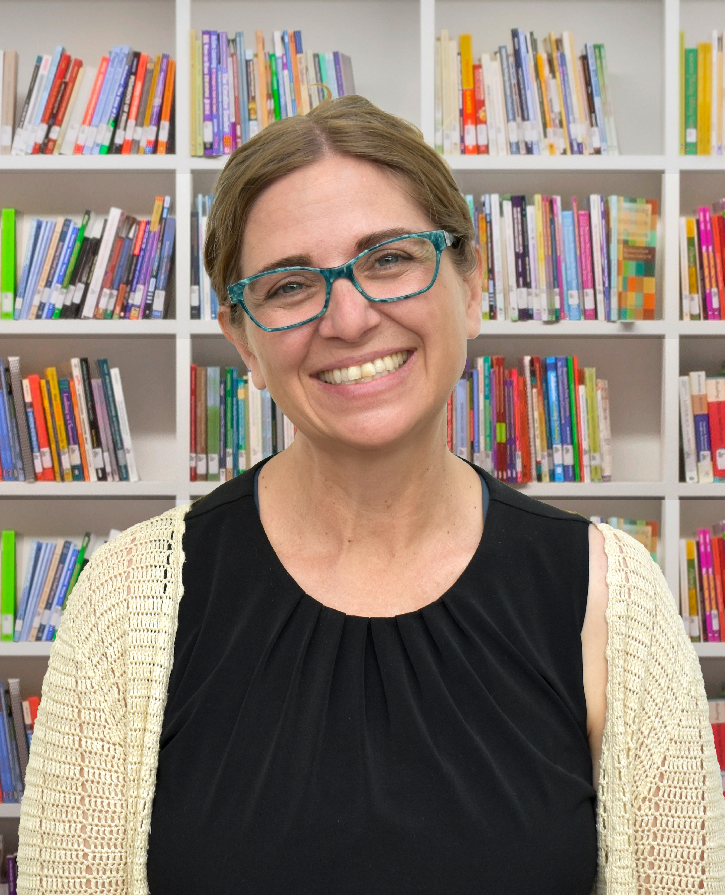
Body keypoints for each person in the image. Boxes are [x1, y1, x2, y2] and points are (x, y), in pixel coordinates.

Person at [17, 96, 725, 894]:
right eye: (290, 284)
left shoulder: (613, 601)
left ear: (471, 285)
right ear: (243, 339)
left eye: (388, 259)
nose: (349, 318)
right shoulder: (127, 603)